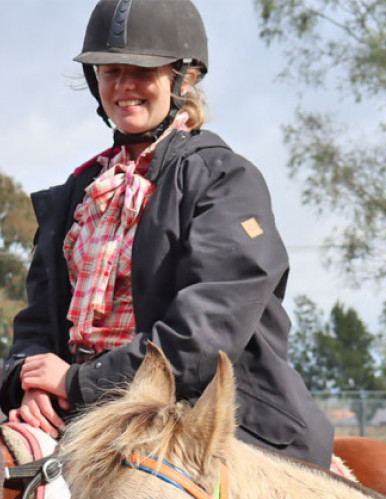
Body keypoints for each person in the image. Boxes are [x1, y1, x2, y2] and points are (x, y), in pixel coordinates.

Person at [0, 0, 333, 469]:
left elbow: (203, 336)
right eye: (111, 71)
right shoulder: (79, 192)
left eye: (143, 70)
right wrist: (29, 383)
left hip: (198, 420)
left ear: (185, 77)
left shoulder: (225, 180)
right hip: (85, 414)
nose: (124, 86)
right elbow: (36, 325)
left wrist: (75, 383)